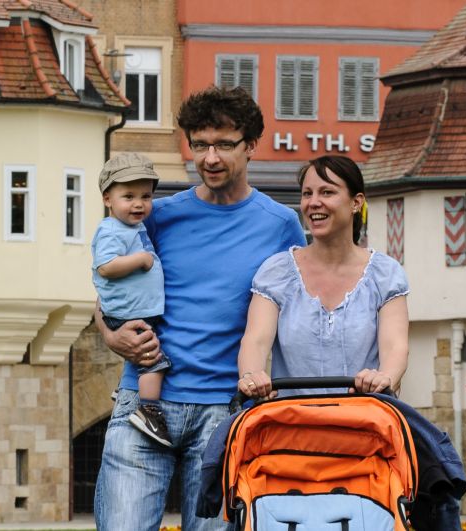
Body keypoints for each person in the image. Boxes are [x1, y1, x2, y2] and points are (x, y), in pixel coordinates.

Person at [94, 86, 307, 531]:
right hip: (144, 402)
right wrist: (110, 335)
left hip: (224, 413)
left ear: (251, 146)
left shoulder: (280, 224)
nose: (210, 157)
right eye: (200, 145)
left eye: (224, 145)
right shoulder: (157, 215)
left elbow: (299, 313)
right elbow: (108, 289)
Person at [236, 155, 409, 398]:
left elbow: (395, 346)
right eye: (307, 194)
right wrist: (251, 375)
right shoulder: (277, 272)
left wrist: (385, 376)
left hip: (363, 422)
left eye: (327, 193)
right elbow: (256, 339)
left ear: (356, 203)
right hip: (291, 423)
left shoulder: (385, 274)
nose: (313, 202)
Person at [92, 153, 172, 447]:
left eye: (145, 196)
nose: (138, 203)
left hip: (134, 310)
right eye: (128, 196)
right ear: (107, 199)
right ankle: (149, 410)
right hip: (129, 314)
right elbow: (105, 267)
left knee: (146, 358)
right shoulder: (112, 231)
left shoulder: (130, 227)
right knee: (153, 362)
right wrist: (140, 260)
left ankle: (129, 390)